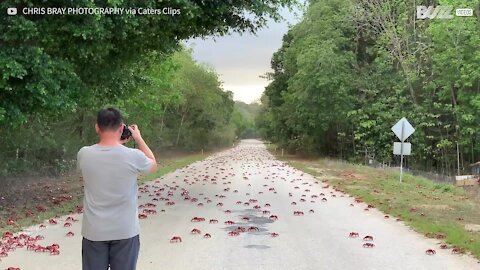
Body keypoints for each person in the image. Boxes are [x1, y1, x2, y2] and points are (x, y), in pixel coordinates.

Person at [77, 107, 157, 270]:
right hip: (125, 231)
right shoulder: (133, 156)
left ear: (97, 127)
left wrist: (117, 143)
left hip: (94, 231)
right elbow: (153, 163)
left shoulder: (84, 154)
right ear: (121, 129)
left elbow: (106, 154)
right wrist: (138, 138)